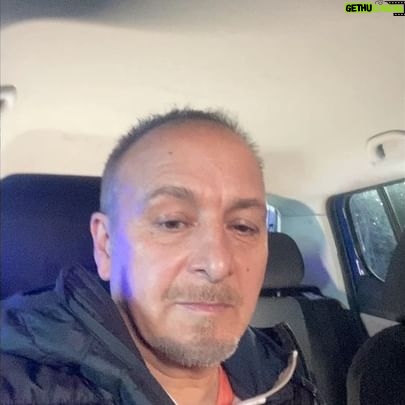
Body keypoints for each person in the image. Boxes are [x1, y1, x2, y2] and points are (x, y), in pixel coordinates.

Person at [1, 109, 319, 404]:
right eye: (172, 222)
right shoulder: (20, 387)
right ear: (107, 245)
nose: (218, 264)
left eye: (243, 227)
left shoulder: (283, 376)